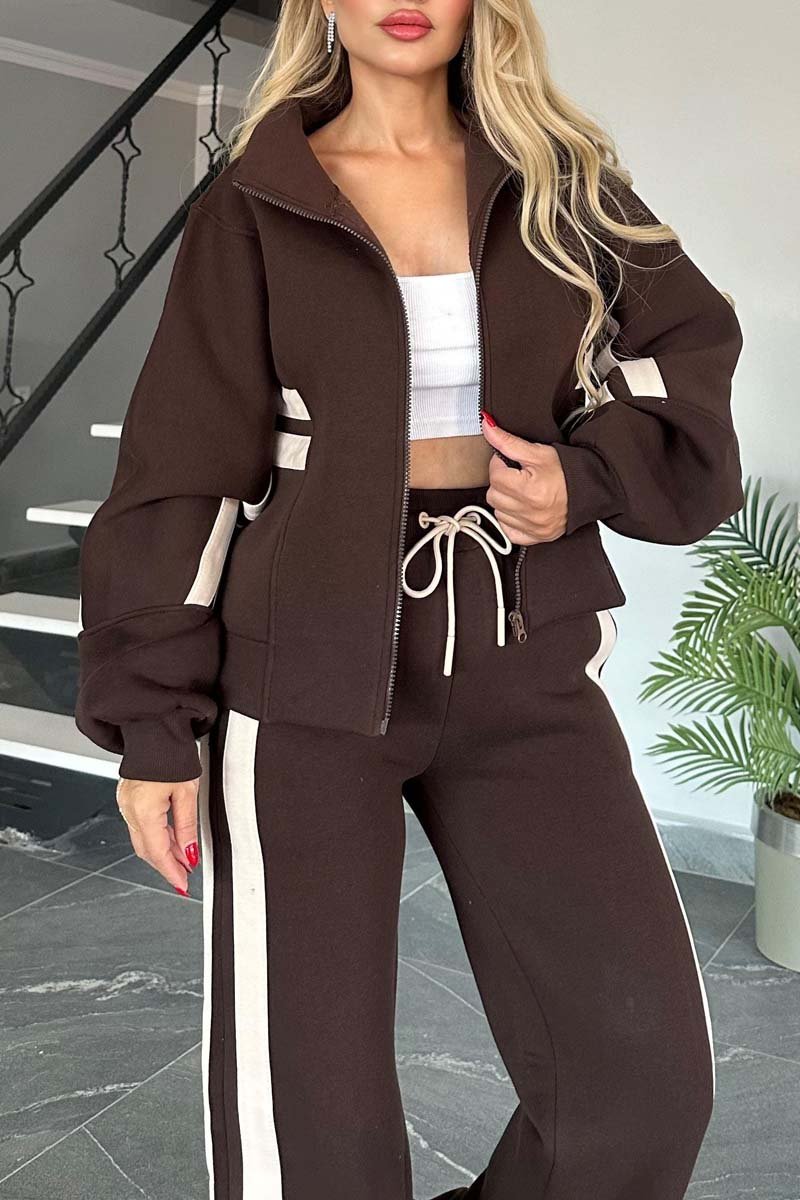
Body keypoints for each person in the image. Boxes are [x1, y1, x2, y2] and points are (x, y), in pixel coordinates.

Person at [74, 0, 745, 1195]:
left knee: (640, 1082)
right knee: (311, 1133)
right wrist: (152, 729)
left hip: (520, 645)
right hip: (300, 663)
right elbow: (181, 470)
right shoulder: (257, 199)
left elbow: (685, 359)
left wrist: (583, 480)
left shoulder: (562, 185)